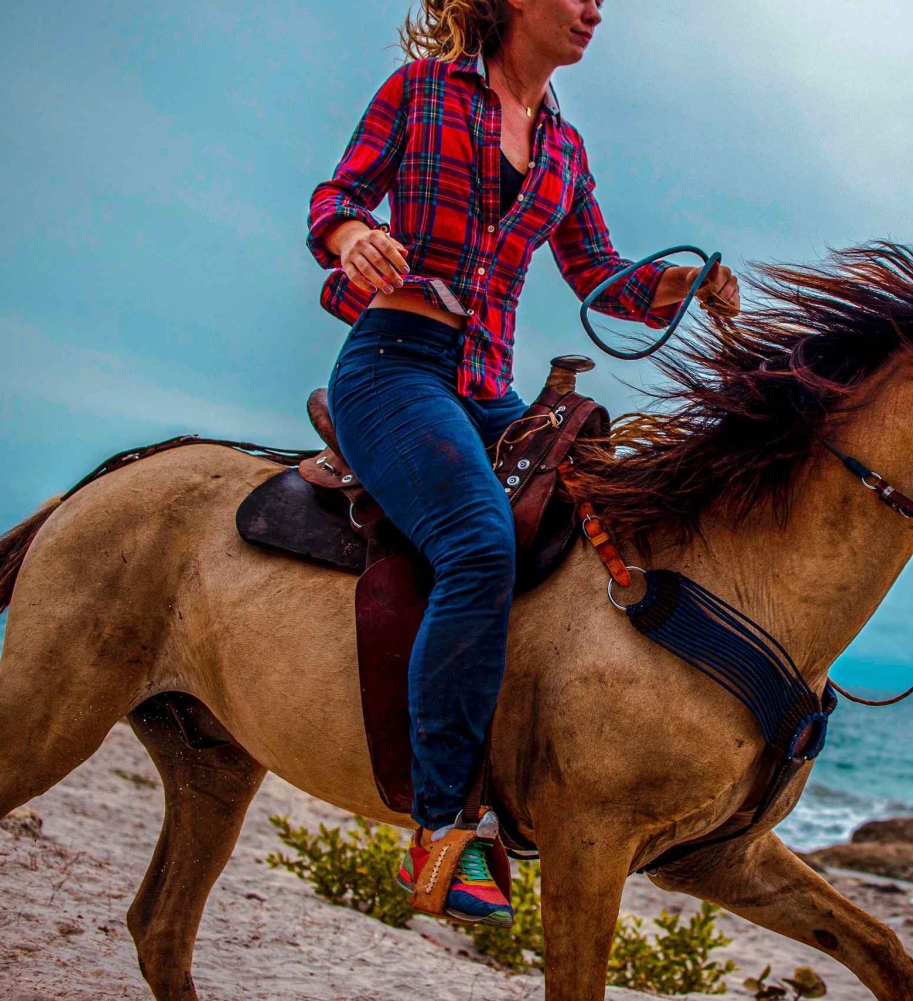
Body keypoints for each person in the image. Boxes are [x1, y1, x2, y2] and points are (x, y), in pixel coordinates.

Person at [307, 0, 739, 927]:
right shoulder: (421, 91)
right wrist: (354, 239)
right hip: (393, 366)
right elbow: (334, 200)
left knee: (601, 514)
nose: (594, 9)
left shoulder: (567, 150)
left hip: (490, 388)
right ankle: (441, 829)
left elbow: (600, 276)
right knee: (476, 541)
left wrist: (680, 285)